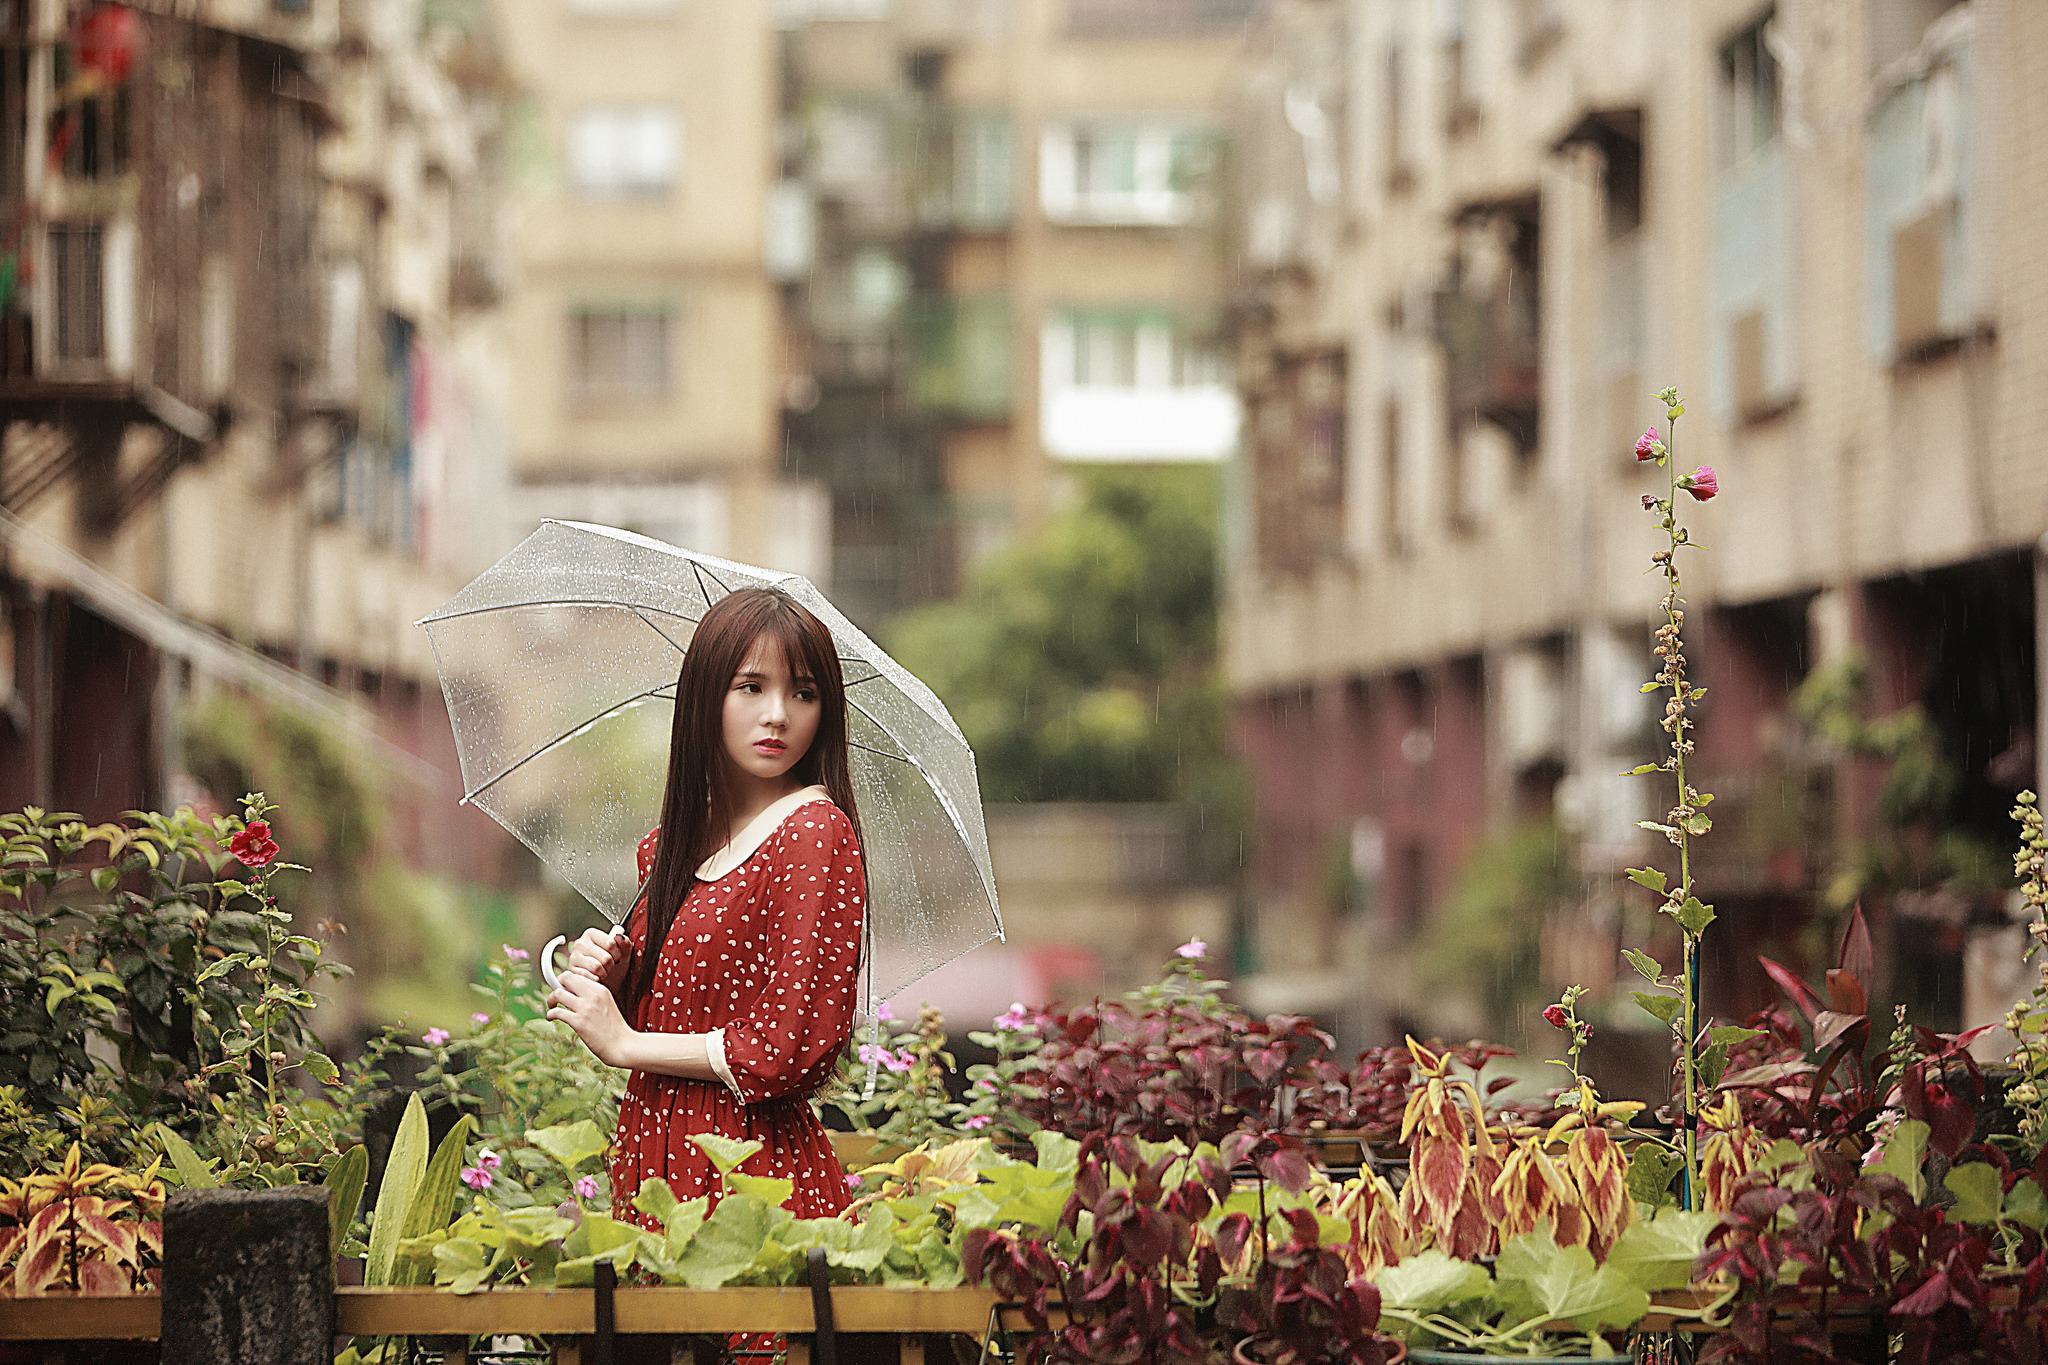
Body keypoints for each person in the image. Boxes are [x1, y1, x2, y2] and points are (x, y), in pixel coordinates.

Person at [544, 587, 866, 1226]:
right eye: (751, 687)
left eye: (804, 693)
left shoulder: (812, 834)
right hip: (653, 1155)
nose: (777, 714)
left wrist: (627, 1044)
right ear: (705, 696)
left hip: (748, 1177)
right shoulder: (669, 849)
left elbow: (785, 1049)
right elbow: (672, 1015)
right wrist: (615, 976)